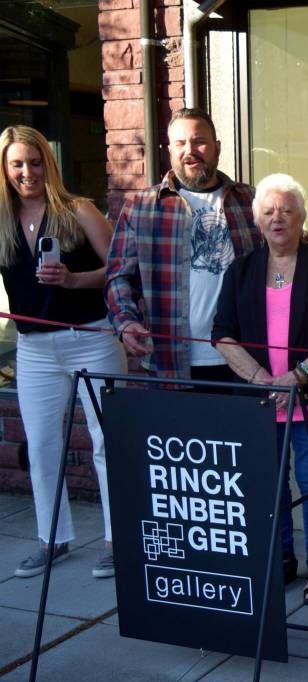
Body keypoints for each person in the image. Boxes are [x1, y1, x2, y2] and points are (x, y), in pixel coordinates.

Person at [212, 173, 308, 606]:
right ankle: (281, 560)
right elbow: (222, 334)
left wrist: (296, 379)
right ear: (258, 222)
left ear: (301, 218)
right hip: (260, 401)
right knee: (268, 484)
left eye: (287, 211)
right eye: (270, 212)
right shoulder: (241, 271)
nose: (278, 219)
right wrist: (262, 380)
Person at [0, 125, 127, 578]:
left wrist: (74, 280)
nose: (27, 172)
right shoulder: (1, 220)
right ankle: (52, 538)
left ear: (48, 164)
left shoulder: (77, 209)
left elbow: (121, 268)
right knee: (41, 446)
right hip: (33, 348)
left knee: (107, 441)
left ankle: (116, 539)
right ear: (5, 168)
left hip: (90, 336)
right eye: (17, 164)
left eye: (35, 162)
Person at [105, 108, 260, 387]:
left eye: (199, 141)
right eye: (180, 143)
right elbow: (119, 277)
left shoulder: (250, 201)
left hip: (245, 361)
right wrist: (125, 322)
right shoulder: (141, 208)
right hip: (170, 363)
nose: (190, 150)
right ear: (169, 150)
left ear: (217, 148)